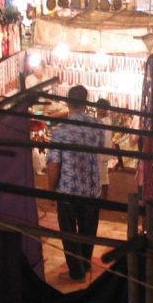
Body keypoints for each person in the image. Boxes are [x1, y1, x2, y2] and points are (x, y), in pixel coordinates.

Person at [46, 85, 105, 281]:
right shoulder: (97, 127)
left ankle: (76, 270)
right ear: (87, 102)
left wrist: (51, 189)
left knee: (69, 231)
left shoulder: (60, 131)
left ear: (68, 103)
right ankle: (85, 263)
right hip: (90, 187)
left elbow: (54, 165)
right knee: (88, 228)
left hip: (68, 189)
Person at [95, 98, 112, 200]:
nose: (97, 110)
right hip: (102, 153)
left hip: (100, 153)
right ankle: (103, 197)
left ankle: (103, 198)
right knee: (103, 176)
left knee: (102, 177)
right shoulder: (106, 121)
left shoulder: (103, 122)